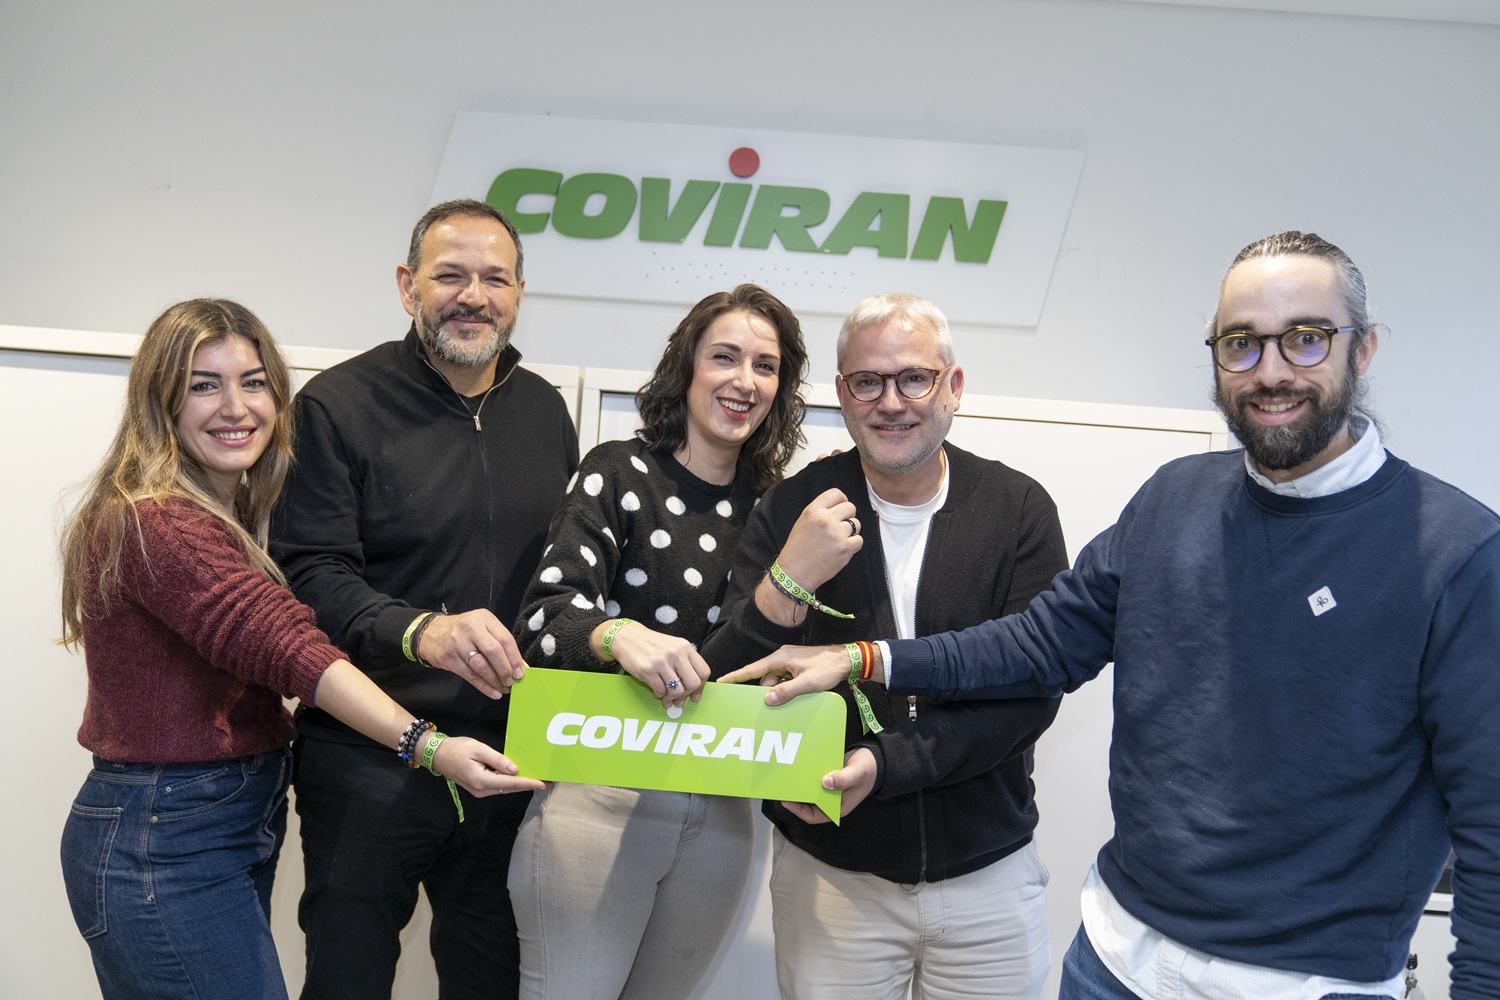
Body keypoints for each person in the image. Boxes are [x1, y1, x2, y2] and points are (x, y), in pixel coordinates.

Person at [723, 233, 1500, 999]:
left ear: (1363, 349)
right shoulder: (1174, 499)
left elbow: (1491, 824)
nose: (1269, 371)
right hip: (1117, 958)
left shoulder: (1456, 553)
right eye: (1241, 343)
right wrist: (864, 658)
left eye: (1305, 338)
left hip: (1307, 981)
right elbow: (1040, 644)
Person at [57, 298, 533, 1000]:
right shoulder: (161, 523)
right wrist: (430, 746)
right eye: (203, 385)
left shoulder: (226, 514)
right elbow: (295, 653)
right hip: (165, 836)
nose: (236, 407)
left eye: (253, 383)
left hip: (210, 821)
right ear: (160, 401)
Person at [700, 292, 1068, 1000]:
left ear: (953, 387)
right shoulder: (791, 509)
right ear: (842, 393)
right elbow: (731, 683)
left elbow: (1031, 693)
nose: (891, 402)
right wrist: (791, 577)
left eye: (914, 379)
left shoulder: (1018, 510)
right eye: (868, 382)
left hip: (989, 879)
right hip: (832, 878)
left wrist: (883, 763)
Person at [269, 200, 579, 1000]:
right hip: (368, 758)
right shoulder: (337, 405)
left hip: (511, 760)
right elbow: (309, 577)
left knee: (490, 982)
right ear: (408, 286)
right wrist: (420, 632)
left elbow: (564, 587)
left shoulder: (546, 411)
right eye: (450, 276)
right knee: (348, 980)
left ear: (519, 293)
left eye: (495, 278)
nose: (473, 296)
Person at [507, 284, 809, 1000]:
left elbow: (772, 662)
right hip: (597, 798)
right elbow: (544, 618)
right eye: (725, 357)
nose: (744, 381)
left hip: (724, 814)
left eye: (765, 366)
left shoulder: (778, 510)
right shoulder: (618, 470)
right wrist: (617, 634)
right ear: (687, 367)